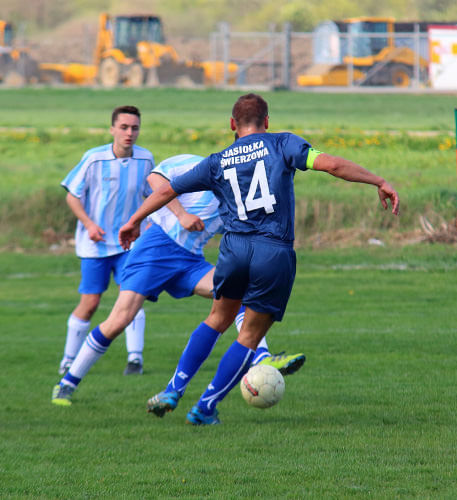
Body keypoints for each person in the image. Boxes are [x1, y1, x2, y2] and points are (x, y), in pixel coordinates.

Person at [118, 93, 400, 425]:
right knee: (249, 335)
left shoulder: (216, 161)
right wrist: (378, 180)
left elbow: (165, 191)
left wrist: (133, 220)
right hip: (273, 251)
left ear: (232, 125)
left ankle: (173, 388)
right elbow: (333, 164)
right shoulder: (283, 144)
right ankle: (205, 407)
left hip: (234, 250)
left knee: (216, 320)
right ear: (267, 122)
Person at [51, 154, 306, 406]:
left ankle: (262, 357)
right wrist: (181, 214)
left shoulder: (242, 195)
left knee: (238, 294)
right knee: (120, 320)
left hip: (190, 260)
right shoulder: (201, 164)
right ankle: (66, 384)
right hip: (157, 248)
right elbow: (155, 178)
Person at [59, 105, 153, 377]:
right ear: (112, 129)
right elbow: (72, 195)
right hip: (95, 244)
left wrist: (144, 226)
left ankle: (135, 360)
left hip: (128, 244)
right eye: (123, 127)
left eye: (134, 128)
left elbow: (151, 194)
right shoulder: (93, 159)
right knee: (90, 303)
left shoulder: (146, 159)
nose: (129, 133)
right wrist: (89, 224)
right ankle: (68, 360)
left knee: (133, 297)